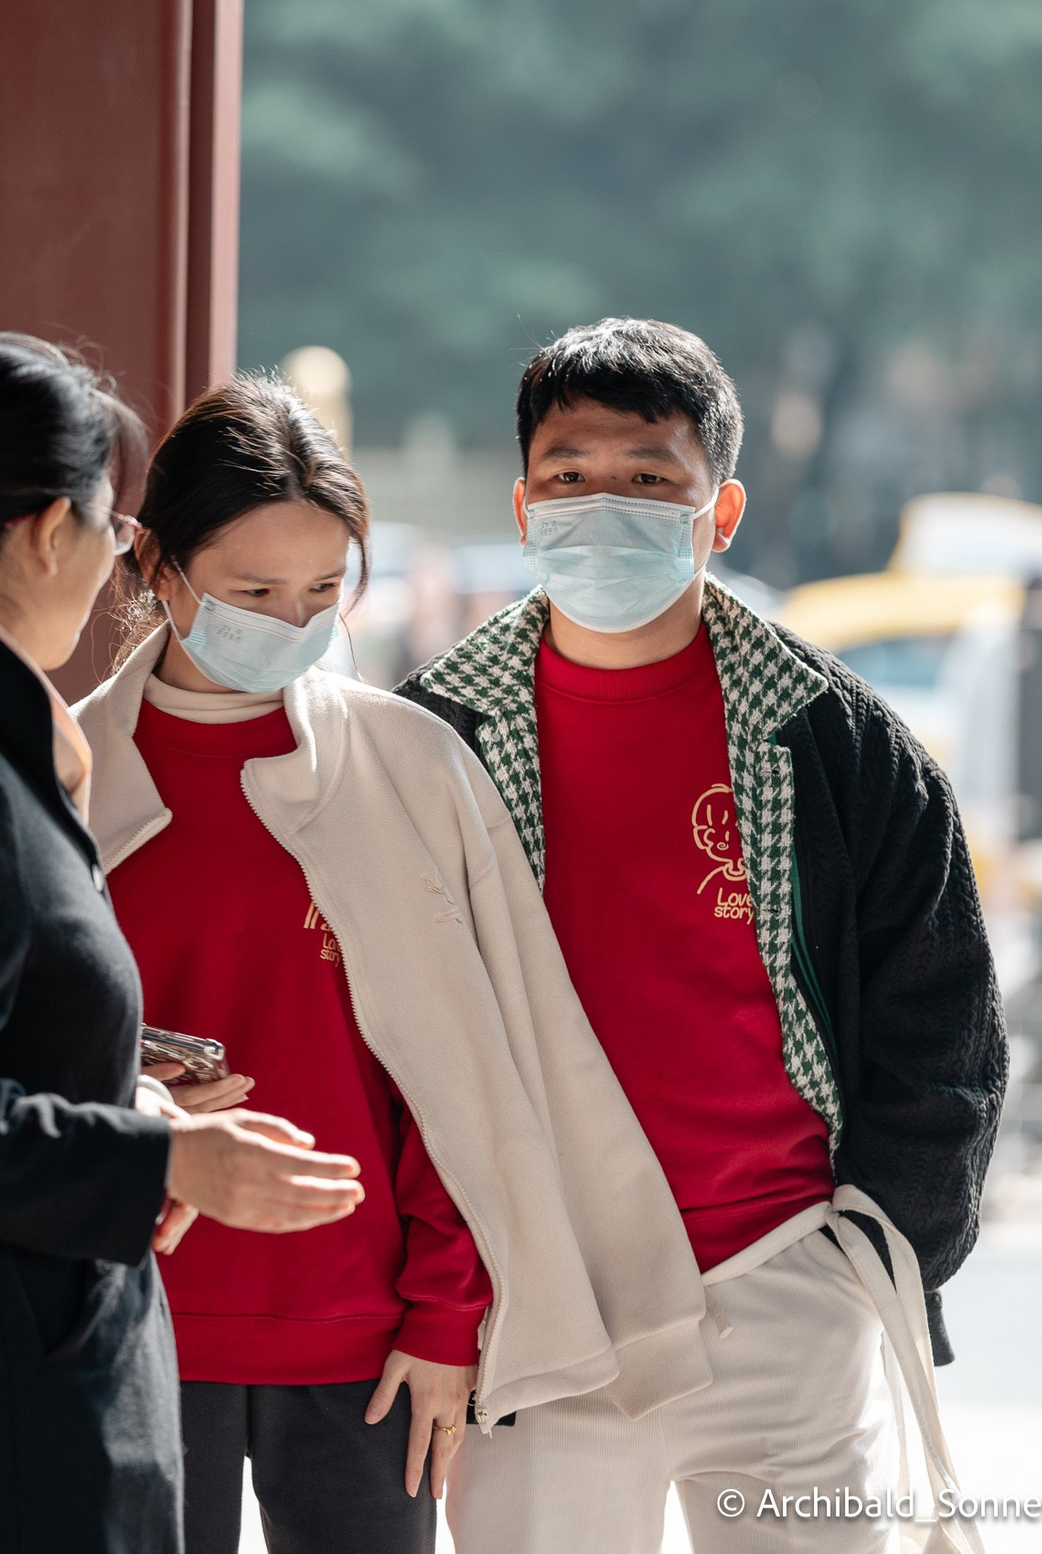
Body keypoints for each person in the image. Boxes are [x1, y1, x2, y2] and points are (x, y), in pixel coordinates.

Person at [76, 375, 714, 1554]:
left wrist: (442, 1317)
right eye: (253, 592)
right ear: (157, 569)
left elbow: (471, 1073)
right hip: (125, 1330)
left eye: (323, 589)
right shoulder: (61, 774)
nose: (293, 619)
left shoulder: (409, 767)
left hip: (368, 1346)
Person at [398, 318, 1006, 1554]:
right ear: (521, 504)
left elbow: (944, 1020)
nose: (600, 503)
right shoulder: (429, 737)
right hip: (536, 1290)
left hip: (784, 1274)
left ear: (717, 511)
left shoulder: (841, 745)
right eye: (568, 476)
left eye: (646, 477)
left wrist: (873, 1253)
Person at [0, 333, 368, 1554]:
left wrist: (120, 1087)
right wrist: (164, 1164)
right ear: (46, 530)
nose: (106, 566)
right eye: (107, 526)